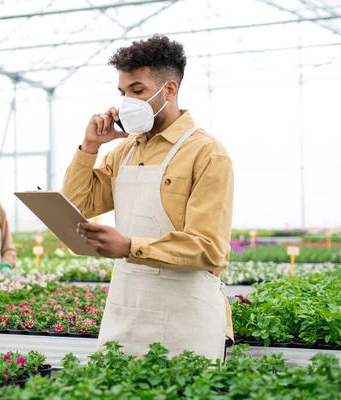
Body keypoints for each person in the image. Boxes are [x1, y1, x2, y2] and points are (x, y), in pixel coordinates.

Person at [62, 35, 234, 361]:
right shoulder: (124, 150)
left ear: (169, 90)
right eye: (123, 93)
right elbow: (77, 205)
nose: (126, 102)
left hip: (187, 319)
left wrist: (129, 247)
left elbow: (209, 248)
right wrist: (90, 147)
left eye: (137, 91)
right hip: (126, 313)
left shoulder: (207, 153)